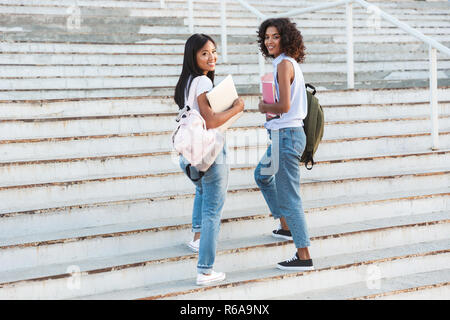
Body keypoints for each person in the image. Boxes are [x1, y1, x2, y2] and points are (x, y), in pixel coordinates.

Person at [174, 33, 245, 285]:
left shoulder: (187, 82)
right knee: (213, 211)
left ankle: (196, 238)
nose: (211, 57)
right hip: (210, 153)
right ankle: (205, 270)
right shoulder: (203, 83)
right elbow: (212, 121)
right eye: (204, 53)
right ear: (193, 56)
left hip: (190, 153)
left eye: (214, 52)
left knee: (202, 194)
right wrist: (237, 107)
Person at [254, 18, 314, 271]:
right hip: (283, 135)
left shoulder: (283, 65)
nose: (270, 41)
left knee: (290, 197)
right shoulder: (285, 64)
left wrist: (263, 106)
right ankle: (286, 226)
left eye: (275, 36)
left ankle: (304, 255)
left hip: (287, 137)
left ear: (286, 39)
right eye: (267, 37)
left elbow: (284, 107)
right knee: (262, 175)